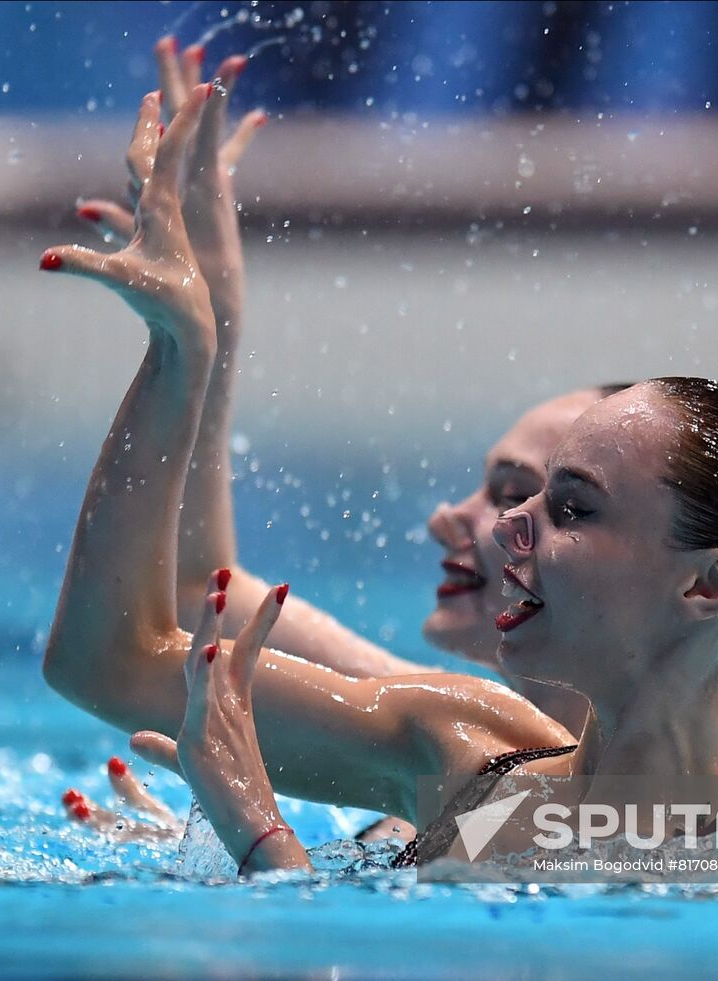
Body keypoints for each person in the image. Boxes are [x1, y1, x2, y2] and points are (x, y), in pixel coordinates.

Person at [38, 85, 718, 875]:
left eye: (572, 507)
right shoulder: (469, 752)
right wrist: (182, 351)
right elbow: (107, 661)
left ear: (708, 582)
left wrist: (263, 841)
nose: (506, 524)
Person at [51, 35, 626, 834]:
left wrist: (259, 839)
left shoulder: (479, 754)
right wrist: (212, 314)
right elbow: (191, 594)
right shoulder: (487, 745)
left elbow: (109, 655)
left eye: (527, 496)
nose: (451, 518)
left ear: (709, 583)